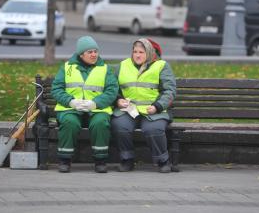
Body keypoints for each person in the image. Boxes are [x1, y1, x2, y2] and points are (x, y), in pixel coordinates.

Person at [51, 36, 118, 173]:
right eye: (90, 52)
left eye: (95, 51)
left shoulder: (104, 69)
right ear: (81, 54)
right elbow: (56, 89)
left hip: (97, 109)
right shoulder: (67, 68)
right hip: (71, 108)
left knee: (100, 123)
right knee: (70, 122)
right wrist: (71, 101)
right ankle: (65, 159)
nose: (94, 55)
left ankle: (100, 160)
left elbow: (112, 90)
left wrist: (95, 103)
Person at [111, 38, 177, 173]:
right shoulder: (122, 66)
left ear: (150, 53)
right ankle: (127, 160)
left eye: (141, 52)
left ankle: (163, 161)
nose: (137, 55)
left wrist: (157, 106)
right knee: (120, 126)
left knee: (153, 129)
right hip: (128, 110)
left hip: (154, 110)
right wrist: (117, 100)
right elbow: (112, 88)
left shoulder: (161, 66)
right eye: (135, 51)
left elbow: (169, 91)